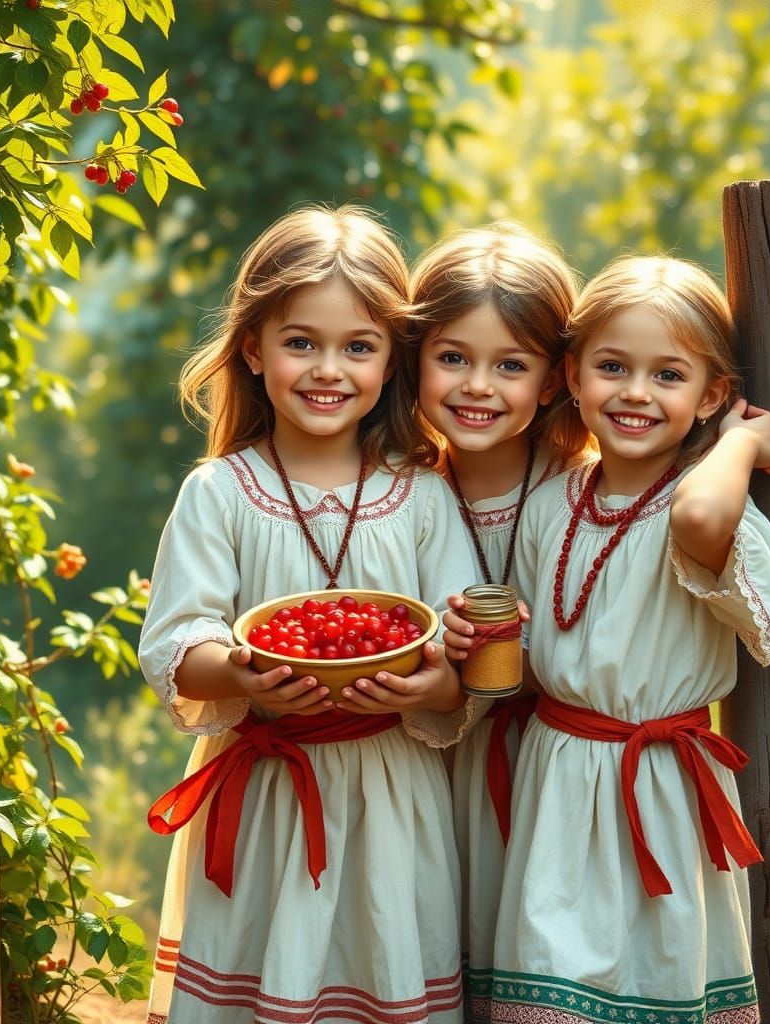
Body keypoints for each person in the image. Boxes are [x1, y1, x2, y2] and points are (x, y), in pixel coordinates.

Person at [138, 205, 481, 1024]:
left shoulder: (423, 495)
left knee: (386, 970)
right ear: (253, 349)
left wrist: (430, 688)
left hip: (392, 797)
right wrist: (241, 669)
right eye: (302, 343)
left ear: (391, 359)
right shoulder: (219, 492)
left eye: (358, 347)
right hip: (262, 793)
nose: (329, 370)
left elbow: (457, 665)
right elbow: (178, 645)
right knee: (265, 978)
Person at [444, 255, 770, 1024]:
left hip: (659, 789)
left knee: (655, 972)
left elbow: (698, 520)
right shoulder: (553, 501)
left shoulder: (708, 508)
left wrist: (738, 445)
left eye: (668, 376)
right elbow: (534, 659)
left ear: (713, 396)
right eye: (612, 367)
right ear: (571, 376)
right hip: (555, 784)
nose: (635, 394)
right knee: (548, 981)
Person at [408, 224, 592, 1024]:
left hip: (550, 771)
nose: (477, 385)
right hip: (422, 766)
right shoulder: (395, 495)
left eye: (510, 364)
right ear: (412, 357)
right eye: (452, 357)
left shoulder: (585, 491)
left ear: (553, 380)